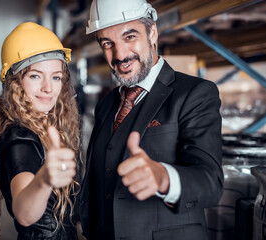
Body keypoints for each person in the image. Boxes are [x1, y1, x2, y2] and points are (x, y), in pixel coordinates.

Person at [78, 0, 224, 239]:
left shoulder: (194, 94)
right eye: (107, 43)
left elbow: (211, 183)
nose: (120, 55)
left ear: (152, 32)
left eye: (129, 36)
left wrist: (163, 177)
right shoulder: (107, 105)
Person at [0, 22, 80, 240]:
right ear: (14, 82)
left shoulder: (41, 125)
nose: (48, 88)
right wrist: (44, 180)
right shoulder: (19, 137)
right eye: (35, 75)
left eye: (56, 76)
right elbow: (24, 212)